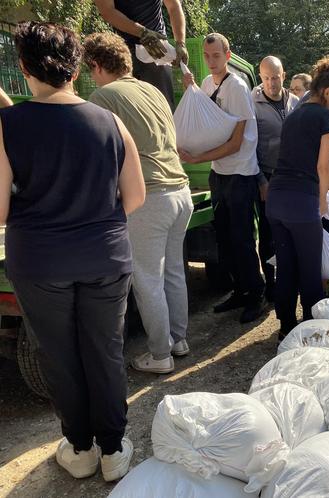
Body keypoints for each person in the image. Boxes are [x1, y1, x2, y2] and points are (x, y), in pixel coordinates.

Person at [0, 22, 145, 481]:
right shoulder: (110, 120)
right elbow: (135, 196)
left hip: (40, 262)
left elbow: (0, 208)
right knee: (104, 350)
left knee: (58, 354)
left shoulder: (8, 125)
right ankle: (114, 451)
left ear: (24, 68)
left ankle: (79, 448)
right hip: (104, 255)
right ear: (77, 67)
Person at [84, 31, 193, 374]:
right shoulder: (154, 91)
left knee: (147, 278)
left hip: (150, 197)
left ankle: (160, 355)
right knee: (174, 271)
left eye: (91, 69)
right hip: (180, 192)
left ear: (97, 65)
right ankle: (178, 340)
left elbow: (99, 155)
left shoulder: (103, 96)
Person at [179, 33, 265, 324]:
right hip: (220, 173)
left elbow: (237, 143)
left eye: (216, 55)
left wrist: (196, 158)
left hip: (240, 173)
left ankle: (256, 295)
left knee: (242, 240)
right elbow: (205, 123)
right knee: (225, 241)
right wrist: (191, 91)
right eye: (207, 56)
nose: (211, 61)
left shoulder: (238, 87)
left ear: (228, 56)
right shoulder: (205, 84)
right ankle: (239, 291)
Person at [267, 56, 329, 338]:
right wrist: (323, 201)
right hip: (301, 203)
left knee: (286, 267)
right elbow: (323, 165)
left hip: (276, 200)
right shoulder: (326, 116)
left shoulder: (294, 114)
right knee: (311, 270)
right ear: (328, 92)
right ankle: (312, 330)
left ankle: (286, 328)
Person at [253, 56, 300, 302]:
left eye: (276, 77)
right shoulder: (253, 104)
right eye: (267, 78)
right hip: (268, 178)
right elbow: (249, 147)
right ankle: (271, 284)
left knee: (291, 231)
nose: (272, 83)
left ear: (284, 75)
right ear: (261, 77)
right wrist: (261, 180)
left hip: (292, 178)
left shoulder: (295, 103)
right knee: (269, 233)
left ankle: (289, 278)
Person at [94, 0, 188, 110]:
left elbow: (174, 6)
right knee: (128, 111)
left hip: (156, 51)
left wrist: (180, 42)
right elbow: (107, 11)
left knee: (161, 109)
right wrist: (142, 32)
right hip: (123, 54)